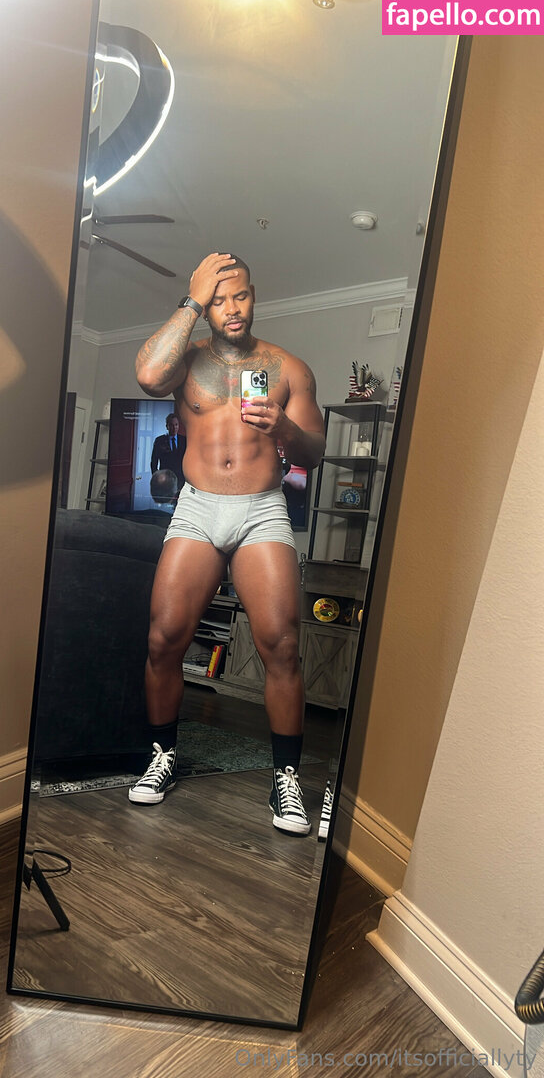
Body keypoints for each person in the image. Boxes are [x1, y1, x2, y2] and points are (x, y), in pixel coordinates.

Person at [128, 253, 325, 835]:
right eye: (217, 300)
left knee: (281, 646)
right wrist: (190, 299)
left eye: (238, 296)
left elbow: (314, 453)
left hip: (262, 510)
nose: (231, 308)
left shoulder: (289, 368)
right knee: (163, 639)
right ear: (203, 305)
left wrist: (283, 428)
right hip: (197, 507)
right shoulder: (185, 361)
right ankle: (163, 755)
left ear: (254, 295)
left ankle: (286, 779)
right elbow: (148, 377)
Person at [150, 413, 186, 491]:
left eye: (176, 425)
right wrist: (156, 477)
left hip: (181, 480)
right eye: (171, 425)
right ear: (167, 426)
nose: (174, 428)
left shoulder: (184, 440)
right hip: (165, 480)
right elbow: (154, 461)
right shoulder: (159, 441)